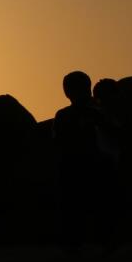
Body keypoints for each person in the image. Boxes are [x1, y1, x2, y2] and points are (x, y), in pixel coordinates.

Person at [52, 71, 120, 251]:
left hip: (86, 167)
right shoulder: (96, 113)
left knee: (81, 209)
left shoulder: (68, 115)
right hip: (87, 167)